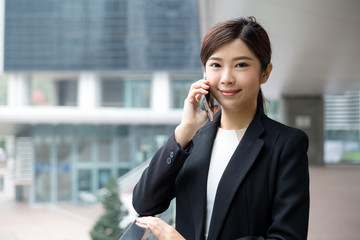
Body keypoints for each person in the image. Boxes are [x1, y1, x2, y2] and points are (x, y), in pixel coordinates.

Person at [133, 16, 310, 240]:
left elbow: (287, 237)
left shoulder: (286, 144)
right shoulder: (192, 139)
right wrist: (184, 131)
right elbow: (145, 203)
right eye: (216, 65)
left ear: (265, 73)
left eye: (241, 65)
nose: (226, 78)